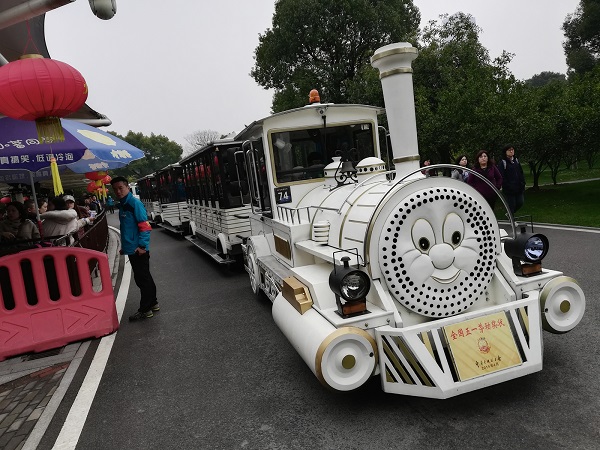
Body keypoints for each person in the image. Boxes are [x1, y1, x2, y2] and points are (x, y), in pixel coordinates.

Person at [110, 176, 159, 321]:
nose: (118, 191)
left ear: (127, 187)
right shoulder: (124, 205)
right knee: (144, 277)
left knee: (142, 279)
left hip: (139, 249)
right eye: (115, 189)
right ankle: (153, 303)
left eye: (121, 188)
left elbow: (145, 226)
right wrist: (125, 247)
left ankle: (145, 309)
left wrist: (142, 246)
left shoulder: (134, 203)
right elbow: (128, 229)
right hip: (132, 248)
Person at [498, 144, 526, 214]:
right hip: (509, 189)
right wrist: (507, 185)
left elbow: (520, 172)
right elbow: (501, 176)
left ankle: (510, 214)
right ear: (505, 152)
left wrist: (522, 183)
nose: (511, 151)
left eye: (512, 150)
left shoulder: (516, 161)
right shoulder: (503, 162)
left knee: (520, 202)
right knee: (511, 205)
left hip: (519, 187)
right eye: (509, 150)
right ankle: (512, 219)